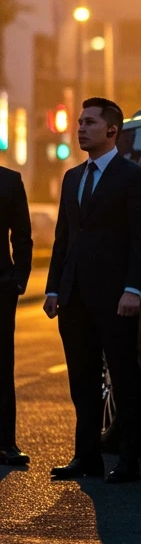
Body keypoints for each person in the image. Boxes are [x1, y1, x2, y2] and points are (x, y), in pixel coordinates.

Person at [44, 97, 141, 484]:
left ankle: (128, 460)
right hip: (74, 296)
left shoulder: (133, 177)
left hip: (115, 296)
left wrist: (132, 289)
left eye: (89, 122)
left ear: (112, 130)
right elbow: (63, 238)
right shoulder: (73, 177)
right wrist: (53, 288)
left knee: (123, 378)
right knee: (82, 379)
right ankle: (86, 456)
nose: (80, 128)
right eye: (79, 122)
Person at [0, 165, 32, 467]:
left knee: (2, 364)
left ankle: (4, 443)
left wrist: (19, 280)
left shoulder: (9, 181)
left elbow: (22, 234)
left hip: (1, 286)